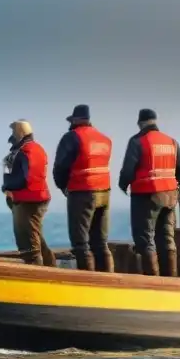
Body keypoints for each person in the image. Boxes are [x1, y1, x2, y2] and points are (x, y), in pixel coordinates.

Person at [118, 109, 180, 276]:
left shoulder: (137, 141)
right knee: (167, 238)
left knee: (145, 239)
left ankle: (154, 281)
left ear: (140, 123)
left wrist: (123, 184)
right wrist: (175, 184)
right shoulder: (172, 141)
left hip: (146, 196)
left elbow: (128, 170)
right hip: (170, 196)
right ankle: (171, 279)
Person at [53, 104, 114, 272]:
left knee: (81, 243)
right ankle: (108, 281)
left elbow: (59, 168)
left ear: (75, 120)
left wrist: (64, 187)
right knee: (100, 242)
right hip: (104, 192)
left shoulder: (72, 137)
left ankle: (89, 283)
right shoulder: (104, 139)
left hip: (82, 192)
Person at [1, 119, 56, 267]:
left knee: (28, 244)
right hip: (37, 198)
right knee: (34, 234)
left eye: (14, 132)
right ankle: (50, 267)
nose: (12, 135)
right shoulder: (38, 149)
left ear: (20, 132)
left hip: (28, 200)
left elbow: (25, 179)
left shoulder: (25, 151)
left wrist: (7, 186)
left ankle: (37, 276)